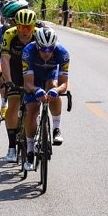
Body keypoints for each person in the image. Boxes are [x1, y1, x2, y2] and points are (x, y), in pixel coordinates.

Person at [21, 26, 70, 169]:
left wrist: (56, 90)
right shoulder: (28, 52)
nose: (46, 53)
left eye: (50, 49)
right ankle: (30, 150)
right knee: (32, 110)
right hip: (34, 76)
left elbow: (64, 84)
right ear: (37, 46)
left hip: (50, 74)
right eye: (43, 49)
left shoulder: (63, 53)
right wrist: (36, 90)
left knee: (52, 86)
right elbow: (28, 83)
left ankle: (56, 128)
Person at [0, 6, 40, 161]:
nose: (25, 31)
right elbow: (5, 60)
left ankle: (31, 139)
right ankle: (11, 147)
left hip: (32, 70)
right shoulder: (9, 34)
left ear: (33, 27)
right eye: (22, 27)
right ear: (17, 26)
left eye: (29, 27)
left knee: (32, 109)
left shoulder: (38, 36)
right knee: (14, 102)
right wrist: (8, 81)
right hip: (15, 69)